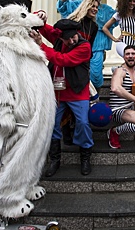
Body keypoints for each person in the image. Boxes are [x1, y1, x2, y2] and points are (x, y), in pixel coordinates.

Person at [31, 14, 94, 176]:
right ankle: (55, 160)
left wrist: (41, 46)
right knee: (52, 124)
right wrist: (40, 16)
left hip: (78, 91)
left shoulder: (84, 46)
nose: (71, 41)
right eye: (68, 39)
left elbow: (64, 60)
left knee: (83, 123)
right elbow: (45, 28)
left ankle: (85, 156)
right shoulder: (59, 38)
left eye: (73, 37)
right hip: (57, 91)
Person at [57, 0, 116, 90]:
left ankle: (94, 95)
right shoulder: (79, 4)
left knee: (96, 75)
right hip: (77, 47)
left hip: (97, 47)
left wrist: (120, 1)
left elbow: (117, 17)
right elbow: (61, 5)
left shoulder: (106, 9)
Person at [60, 0, 100, 146]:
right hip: (67, 63)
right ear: (86, 6)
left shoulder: (94, 27)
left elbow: (89, 47)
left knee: (83, 100)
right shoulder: (73, 22)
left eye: (97, 7)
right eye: (93, 6)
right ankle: (65, 130)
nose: (95, 9)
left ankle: (77, 131)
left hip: (82, 65)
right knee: (66, 101)